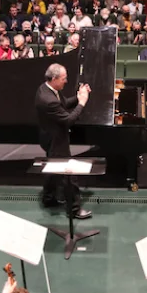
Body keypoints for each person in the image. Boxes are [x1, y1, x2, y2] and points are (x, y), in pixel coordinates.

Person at [35, 63, 91, 219]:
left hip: (48, 136)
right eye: (63, 78)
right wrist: (82, 102)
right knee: (68, 175)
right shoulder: (48, 100)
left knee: (53, 169)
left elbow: (63, 104)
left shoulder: (46, 88)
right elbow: (68, 120)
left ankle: (48, 199)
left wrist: (78, 96)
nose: (66, 81)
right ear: (54, 78)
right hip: (56, 140)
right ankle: (74, 209)